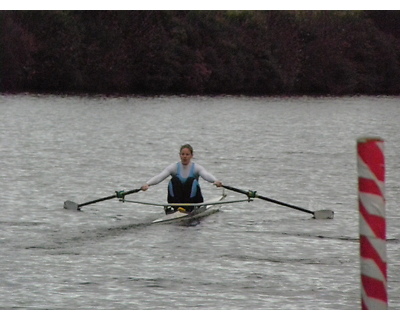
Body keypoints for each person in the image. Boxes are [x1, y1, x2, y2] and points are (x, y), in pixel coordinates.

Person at [141, 144, 222, 213]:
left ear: (191, 156)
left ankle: (189, 208)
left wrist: (215, 181)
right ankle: (177, 208)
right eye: (182, 154)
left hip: (193, 201)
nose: (184, 157)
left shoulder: (196, 168)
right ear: (179, 155)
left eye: (187, 154)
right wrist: (147, 184)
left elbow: (206, 175)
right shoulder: (174, 167)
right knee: (174, 180)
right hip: (178, 202)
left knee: (191, 180)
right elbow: (160, 176)